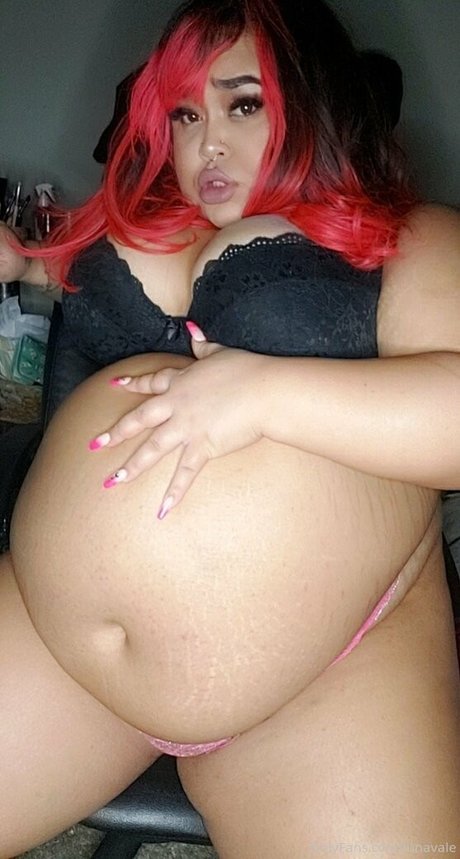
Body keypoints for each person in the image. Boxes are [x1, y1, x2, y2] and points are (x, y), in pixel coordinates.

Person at [0, 0, 459, 856]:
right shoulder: (148, 219)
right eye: (185, 115)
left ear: (315, 103)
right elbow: (62, 275)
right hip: (54, 638)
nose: (207, 141)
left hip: (330, 669)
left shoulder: (411, 234)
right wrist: (24, 258)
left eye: (243, 104)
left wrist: (265, 394)